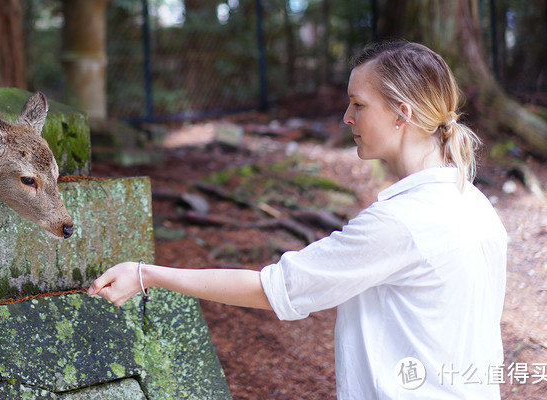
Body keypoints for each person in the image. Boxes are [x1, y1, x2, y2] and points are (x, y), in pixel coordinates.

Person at [88, 41, 508, 399]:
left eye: (358, 105)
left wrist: (147, 275)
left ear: (402, 114)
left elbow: (273, 290)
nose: (347, 117)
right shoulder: (475, 206)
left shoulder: (401, 222)